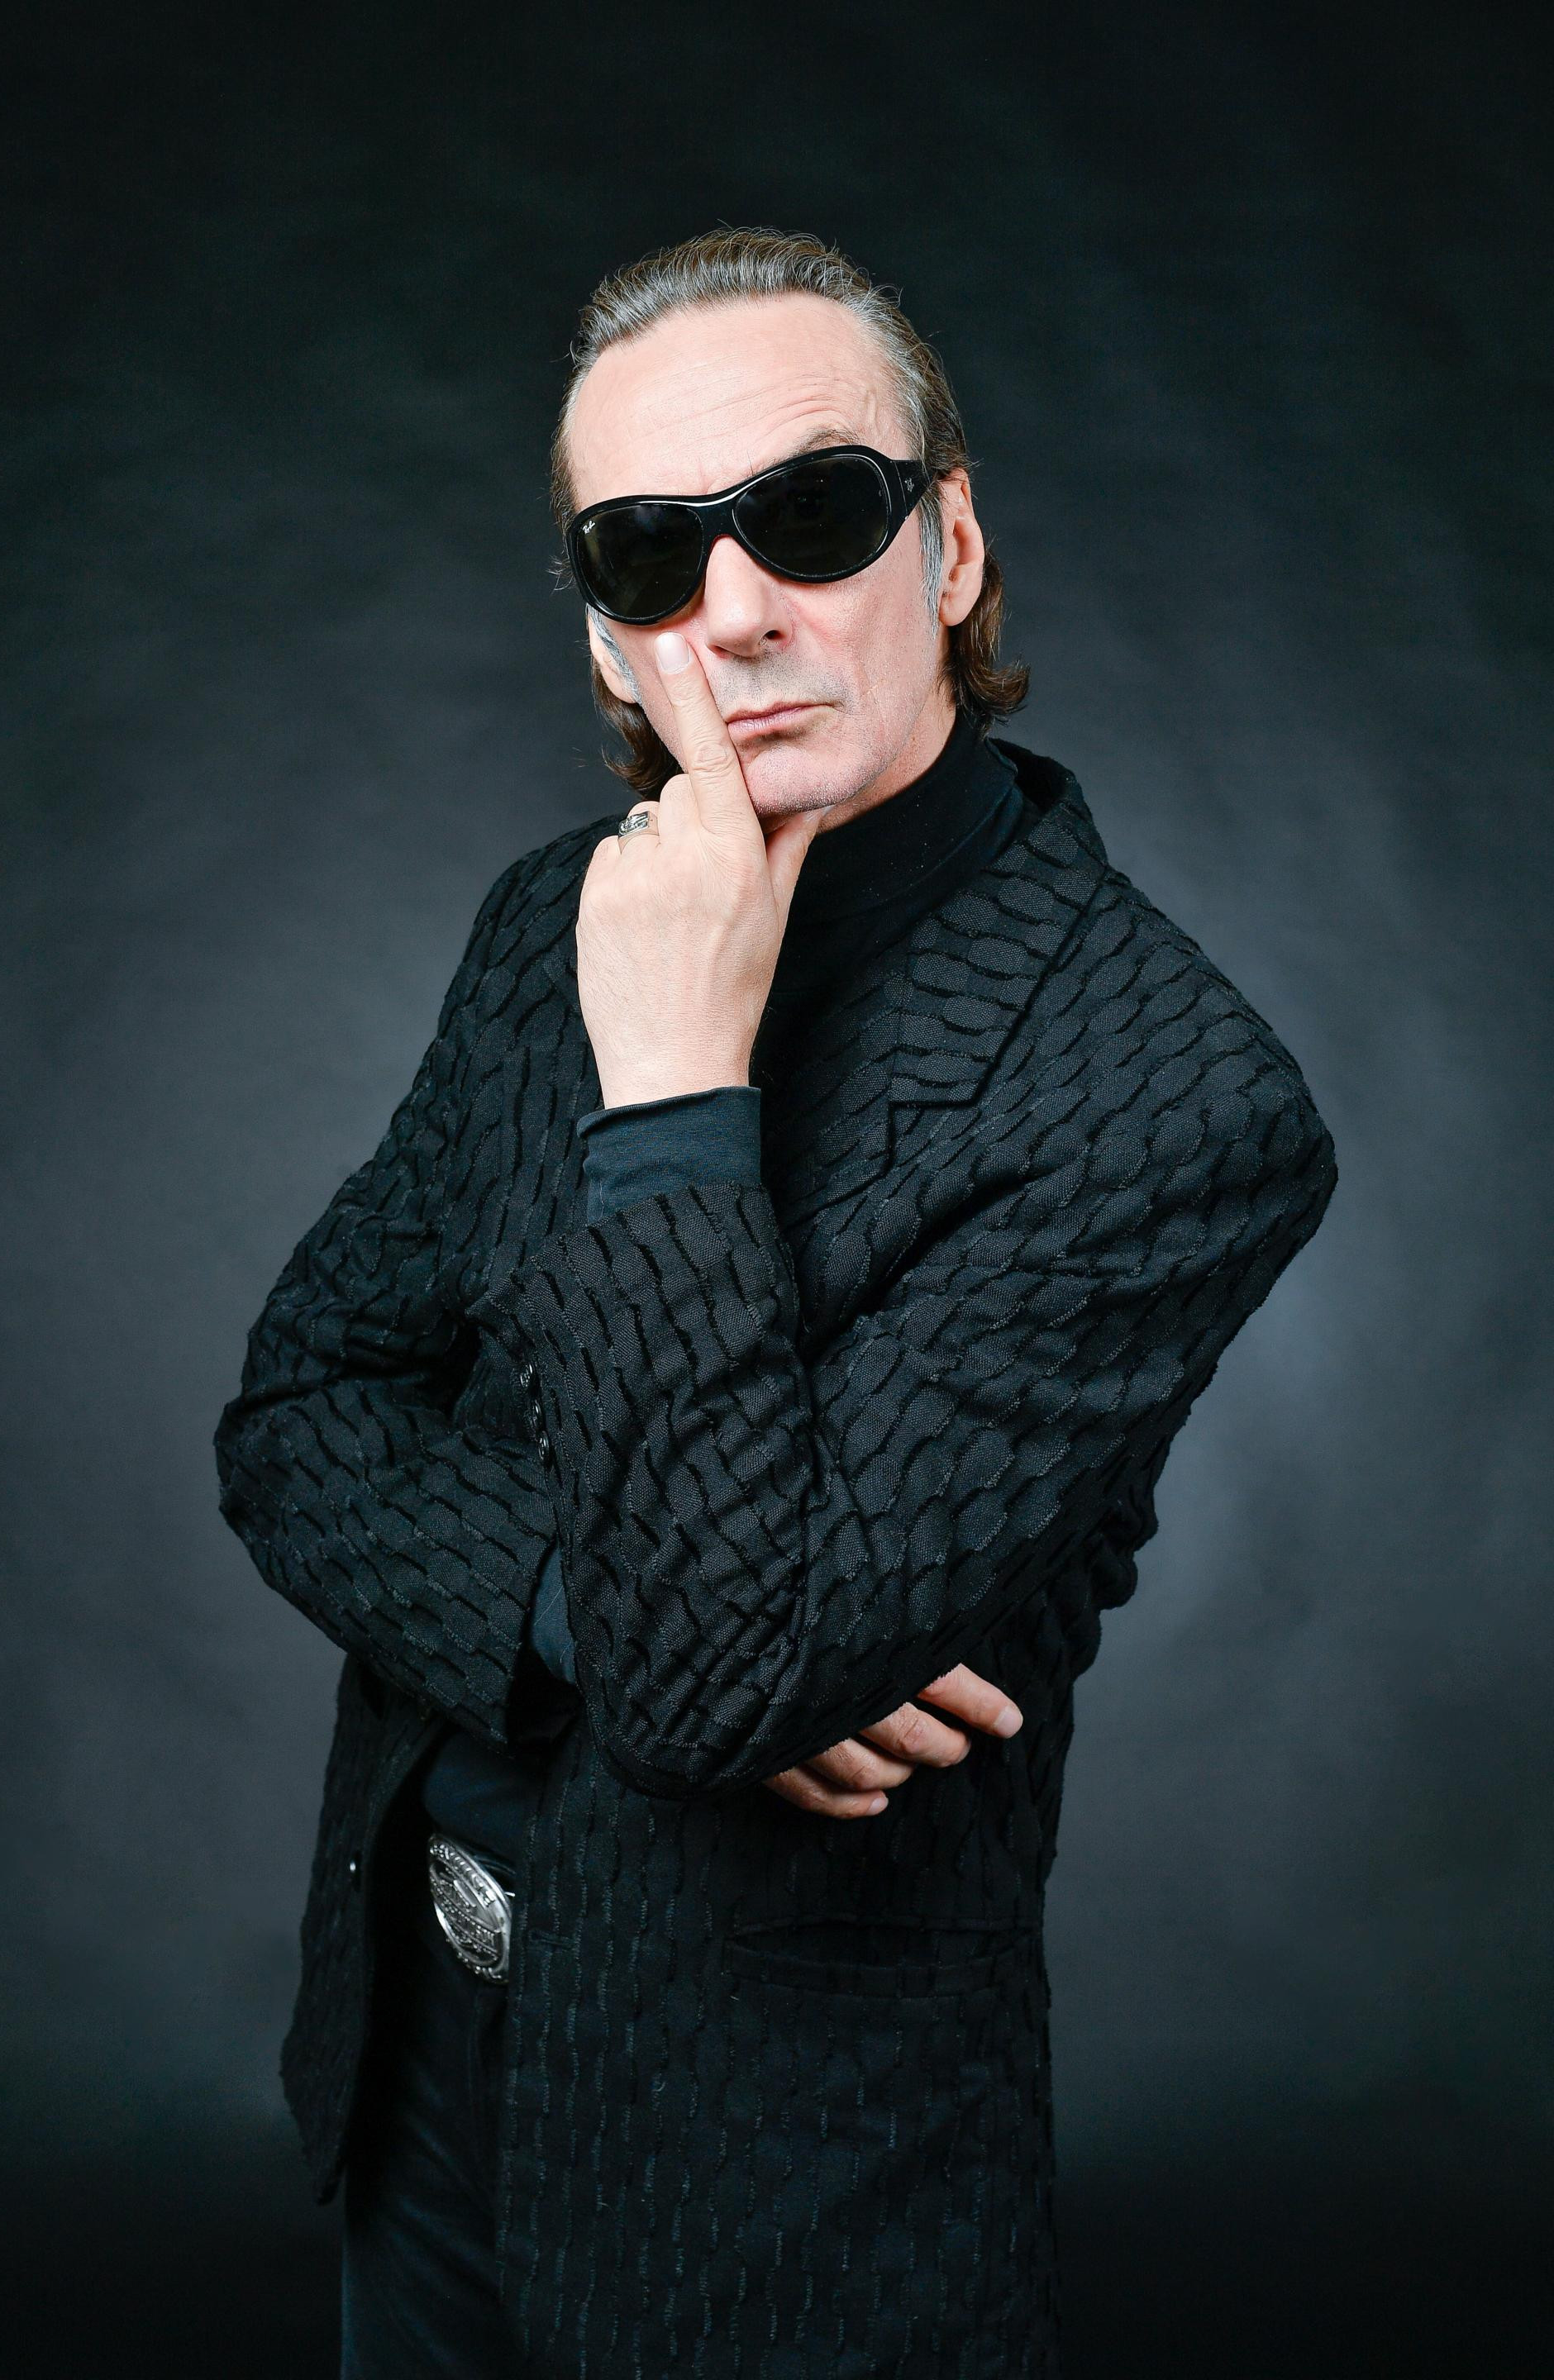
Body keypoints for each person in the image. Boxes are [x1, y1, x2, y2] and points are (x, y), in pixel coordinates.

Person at [214, 226, 1337, 2379]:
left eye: (812, 512)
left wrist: (674, 1091)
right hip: (419, 2072)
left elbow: (713, 1684)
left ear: (951, 548)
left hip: (767, 2188)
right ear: (610, 641)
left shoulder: (1168, 1097)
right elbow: (297, 1411)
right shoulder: (549, 922)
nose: (734, 610)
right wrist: (586, 1608)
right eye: (649, 555)